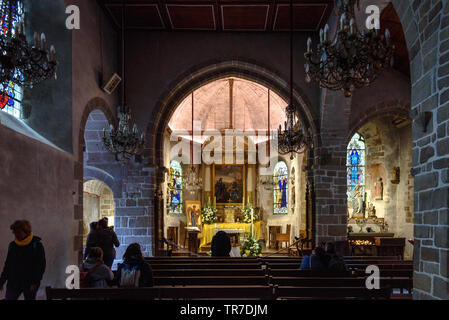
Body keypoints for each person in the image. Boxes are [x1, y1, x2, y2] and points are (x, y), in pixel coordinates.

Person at [0, 220, 46, 300]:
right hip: (13, 283)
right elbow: (8, 265)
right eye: (14, 232)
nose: (16, 235)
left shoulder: (36, 245)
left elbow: (41, 266)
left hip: (30, 283)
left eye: (18, 232)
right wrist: (1, 281)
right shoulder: (13, 245)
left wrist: (35, 282)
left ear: (26, 232)